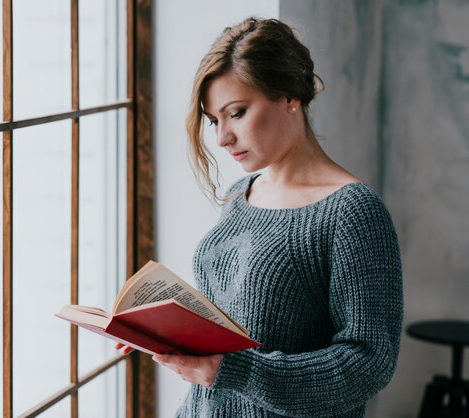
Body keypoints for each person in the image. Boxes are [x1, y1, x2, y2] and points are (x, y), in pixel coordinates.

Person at [118, 17, 403, 417]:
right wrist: (164, 330)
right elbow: (234, 322)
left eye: (236, 113)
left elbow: (368, 363)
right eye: (215, 121)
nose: (221, 138)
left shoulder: (352, 212)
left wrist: (234, 370)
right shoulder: (241, 194)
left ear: (289, 95)